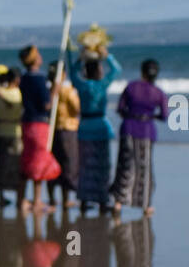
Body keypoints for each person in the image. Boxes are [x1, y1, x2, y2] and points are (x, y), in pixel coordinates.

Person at [110, 58, 168, 217]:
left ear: (142, 71)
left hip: (128, 127)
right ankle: (145, 204)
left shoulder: (131, 87)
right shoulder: (159, 93)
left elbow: (120, 109)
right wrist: (150, 116)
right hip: (147, 131)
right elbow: (164, 115)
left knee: (124, 165)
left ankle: (118, 202)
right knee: (145, 167)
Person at [68, 45, 122, 214]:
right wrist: (106, 55)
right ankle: (102, 201)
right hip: (100, 127)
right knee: (102, 166)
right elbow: (116, 69)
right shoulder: (101, 85)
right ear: (98, 71)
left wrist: (80, 59)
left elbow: (72, 72)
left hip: (84, 127)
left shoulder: (81, 85)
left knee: (84, 166)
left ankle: (84, 200)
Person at [17, 45, 61, 212]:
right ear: (35, 59)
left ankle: (21, 199)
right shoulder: (38, 78)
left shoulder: (24, 78)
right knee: (39, 161)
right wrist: (54, 92)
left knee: (27, 159)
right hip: (39, 124)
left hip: (27, 123)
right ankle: (36, 201)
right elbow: (46, 105)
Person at [0, 65, 24, 209]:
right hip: (16, 131)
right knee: (17, 164)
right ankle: (20, 196)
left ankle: (1, 196)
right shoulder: (19, 93)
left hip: (1, 132)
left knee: (2, 164)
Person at [47, 60, 81, 209]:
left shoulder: (49, 90)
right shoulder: (68, 90)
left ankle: (52, 198)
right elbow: (76, 109)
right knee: (67, 163)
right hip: (67, 129)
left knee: (53, 162)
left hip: (52, 130)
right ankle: (65, 199)